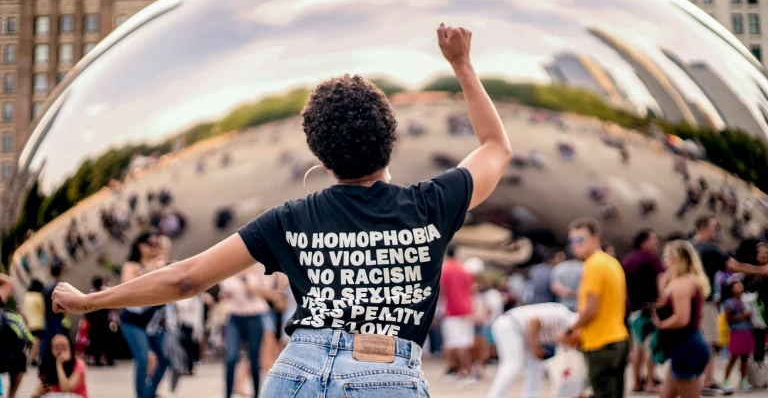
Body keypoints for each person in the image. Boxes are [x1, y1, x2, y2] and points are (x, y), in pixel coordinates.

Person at [51, 24, 512, 397]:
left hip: (297, 372)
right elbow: (495, 147)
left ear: (322, 157)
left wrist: (90, 301)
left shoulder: (290, 219)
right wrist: (462, 64)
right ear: (389, 141)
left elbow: (186, 278)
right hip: (386, 373)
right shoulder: (431, 203)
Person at [689, 215, 768, 394]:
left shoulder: (688, 246)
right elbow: (735, 266)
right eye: (713, 226)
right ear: (703, 227)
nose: (716, 230)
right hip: (705, 301)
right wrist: (761, 270)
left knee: (692, 339)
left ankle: (694, 378)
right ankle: (708, 381)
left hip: (688, 300)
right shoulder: (712, 248)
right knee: (709, 340)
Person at [558, 218, 629, 398]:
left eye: (580, 239)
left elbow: (591, 309)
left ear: (595, 238)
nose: (575, 245)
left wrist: (569, 330)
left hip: (601, 344)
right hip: (618, 339)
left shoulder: (593, 265)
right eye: (572, 241)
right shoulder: (612, 262)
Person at [651, 240, 710, 398]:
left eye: (666, 256)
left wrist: (660, 325)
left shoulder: (682, 284)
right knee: (665, 395)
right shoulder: (685, 281)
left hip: (687, 346)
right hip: (685, 345)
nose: (664, 261)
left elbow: (682, 319)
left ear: (676, 259)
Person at [488, 302, 578, 398]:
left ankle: (531, 395)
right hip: (510, 325)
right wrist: (535, 348)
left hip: (521, 331)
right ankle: (495, 396)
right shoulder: (562, 315)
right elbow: (534, 322)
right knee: (513, 365)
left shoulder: (567, 323)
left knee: (536, 364)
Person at [119, 232, 170, 398]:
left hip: (154, 321)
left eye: (157, 245)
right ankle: (141, 395)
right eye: (151, 244)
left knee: (164, 358)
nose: (155, 248)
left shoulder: (160, 265)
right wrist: (151, 267)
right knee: (143, 359)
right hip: (134, 320)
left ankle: (150, 392)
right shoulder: (132, 265)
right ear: (140, 246)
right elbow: (127, 285)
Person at [219, 264, 280, 397]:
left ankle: (257, 393)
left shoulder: (261, 268)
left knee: (254, 357)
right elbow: (224, 292)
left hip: (255, 316)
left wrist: (250, 285)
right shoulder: (231, 268)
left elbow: (271, 295)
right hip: (234, 316)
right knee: (231, 357)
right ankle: (227, 394)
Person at [622, 229, 664, 393]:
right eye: (653, 239)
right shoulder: (652, 260)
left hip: (634, 311)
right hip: (650, 310)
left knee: (637, 348)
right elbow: (661, 281)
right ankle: (651, 382)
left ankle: (636, 382)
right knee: (650, 346)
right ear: (644, 242)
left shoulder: (627, 260)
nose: (655, 243)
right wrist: (662, 302)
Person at [440, 246, 475, 380]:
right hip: (466, 309)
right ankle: (466, 370)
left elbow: (442, 290)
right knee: (464, 342)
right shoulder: (464, 269)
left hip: (453, 310)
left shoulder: (446, 269)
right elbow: (471, 289)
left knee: (454, 343)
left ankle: (460, 370)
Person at [721, 276, 754, 392]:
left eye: (740, 286)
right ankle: (725, 380)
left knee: (745, 358)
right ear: (731, 289)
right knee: (733, 358)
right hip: (736, 332)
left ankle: (743, 380)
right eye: (736, 286)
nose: (739, 288)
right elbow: (728, 318)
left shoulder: (747, 300)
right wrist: (743, 316)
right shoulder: (729, 303)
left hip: (747, 331)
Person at [33, 333, 89, 398]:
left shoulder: (78, 364)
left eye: (63, 346)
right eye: (57, 346)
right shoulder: (47, 364)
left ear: (70, 347)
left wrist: (59, 364)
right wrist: (37, 394)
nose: (60, 349)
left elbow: (66, 390)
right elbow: (36, 392)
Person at [40, 264, 68, 362]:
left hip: (48, 315)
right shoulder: (58, 286)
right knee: (58, 336)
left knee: (47, 337)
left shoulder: (47, 285)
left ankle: (43, 358)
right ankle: (60, 357)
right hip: (56, 315)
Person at [85, 276, 113, 366]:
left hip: (97, 321)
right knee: (102, 341)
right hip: (99, 321)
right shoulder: (102, 293)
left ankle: (100, 359)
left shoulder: (92, 294)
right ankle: (104, 359)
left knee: (99, 341)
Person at [174, 294, 205, 375]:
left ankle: (189, 367)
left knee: (190, 347)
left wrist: (198, 329)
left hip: (191, 324)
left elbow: (198, 315)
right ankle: (184, 366)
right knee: (183, 346)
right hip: (182, 323)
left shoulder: (196, 299)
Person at [24, 279, 46, 366]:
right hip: (39, 321)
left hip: (30, 321)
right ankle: (33, 358)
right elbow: (43, 309)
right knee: (38, 341)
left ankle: (31, 356)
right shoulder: (38, 296)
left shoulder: (27, 295)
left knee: (32, 341)